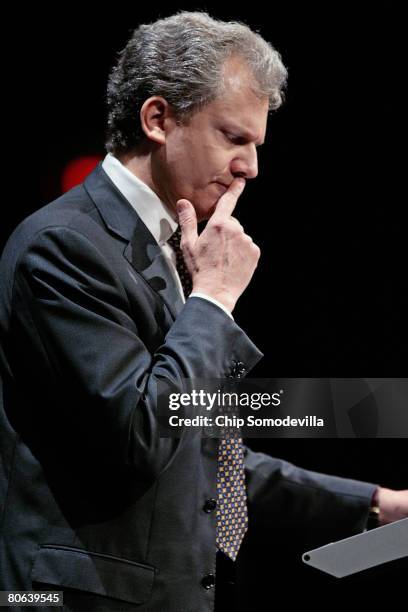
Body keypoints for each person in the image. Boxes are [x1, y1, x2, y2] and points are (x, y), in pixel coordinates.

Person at [0, 11, 407, 612]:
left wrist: (375, 503)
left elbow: (206, 457)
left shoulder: (170, 246)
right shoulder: (63, 246)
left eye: (257, 144)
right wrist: (214, 298)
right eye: (234, 138)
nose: (252, 167)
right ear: (158, 119)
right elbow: (143, 435)